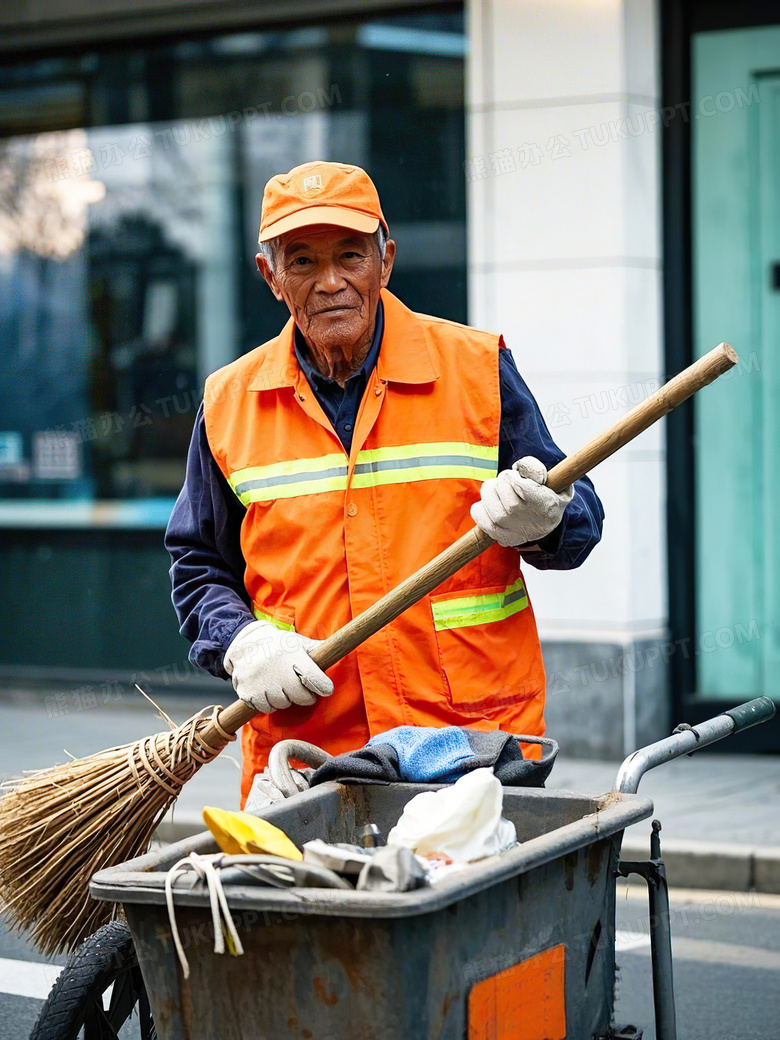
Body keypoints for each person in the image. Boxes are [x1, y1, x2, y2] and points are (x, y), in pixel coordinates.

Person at [165, 161, 604, 805]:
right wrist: (241, 643)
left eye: (351, 254)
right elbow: (198, 562)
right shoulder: (230, 401)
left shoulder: (476, 369)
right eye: (304, 261)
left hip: (469, 750)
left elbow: (578, 520)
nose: (332, 282)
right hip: (309, 758)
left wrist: (547, 518)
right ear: (271, 277)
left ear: (385, 260)